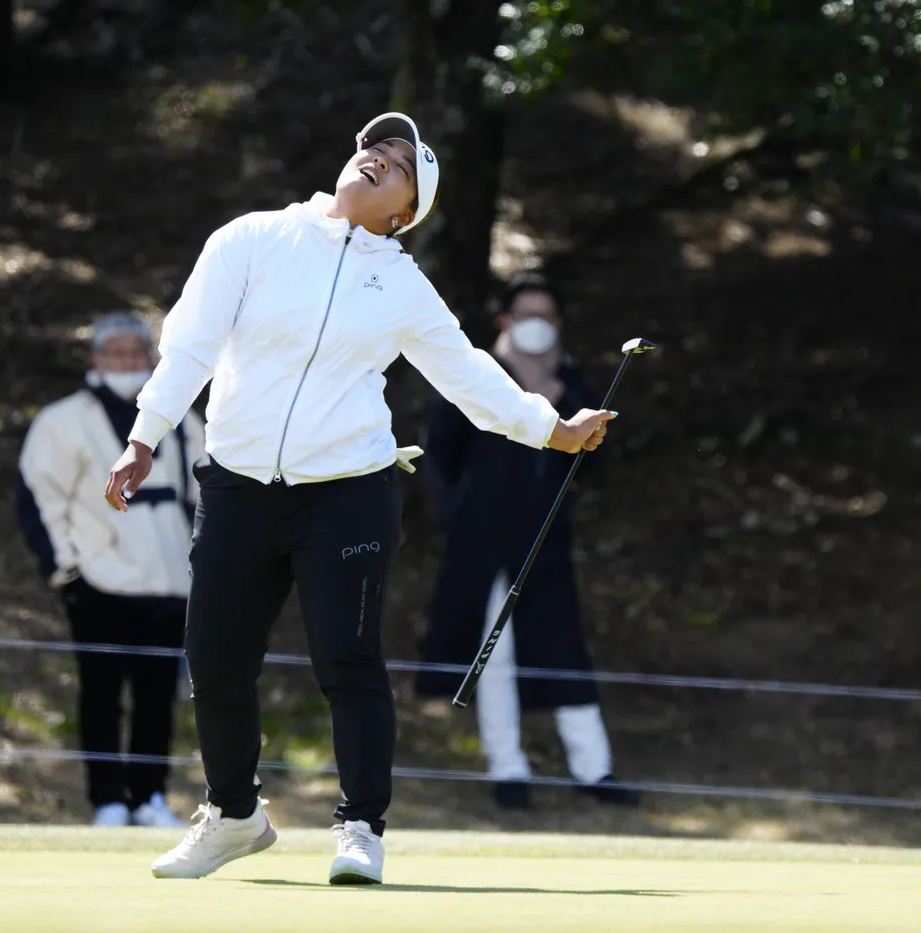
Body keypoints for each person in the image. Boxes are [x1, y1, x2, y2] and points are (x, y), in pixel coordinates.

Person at [102, 112, 618, 884]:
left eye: (402, 163)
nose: (380, 157)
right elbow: (190, 345)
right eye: (377, 146)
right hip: (238, 483)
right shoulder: (252, 238)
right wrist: (146, 434)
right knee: (215, 660)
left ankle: (360, 828)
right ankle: (235, 815)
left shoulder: (402, 283)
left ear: (406, 213)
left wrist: (552, 429)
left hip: (348, 490)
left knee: (347, 660)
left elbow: (466, 372)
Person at [416, 273, 638, 811]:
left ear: (558, 324)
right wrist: (456, 515)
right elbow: (438, 454)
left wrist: (565, 409)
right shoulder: (479, 378)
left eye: (545, 315)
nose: (535, 324)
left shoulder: (574, 385)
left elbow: (599, 461)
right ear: (505, 321)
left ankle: (594, 769)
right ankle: (508, 769)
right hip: (481, 544)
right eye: (525, 314)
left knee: (565, 650)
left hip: (546, 542)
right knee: (495, 653)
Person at [16, 312, 203, 829]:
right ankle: (108, 800)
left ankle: (150, 797)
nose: (126, 363)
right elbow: (40, 497)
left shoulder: (179, 419)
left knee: (157, 696)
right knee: (100, 692)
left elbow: (206, 488)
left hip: (169, 578)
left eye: (136, 353)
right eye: (116, 354)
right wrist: (64, 568)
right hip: (96, 577)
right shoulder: (62, 420)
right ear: (96, 359)